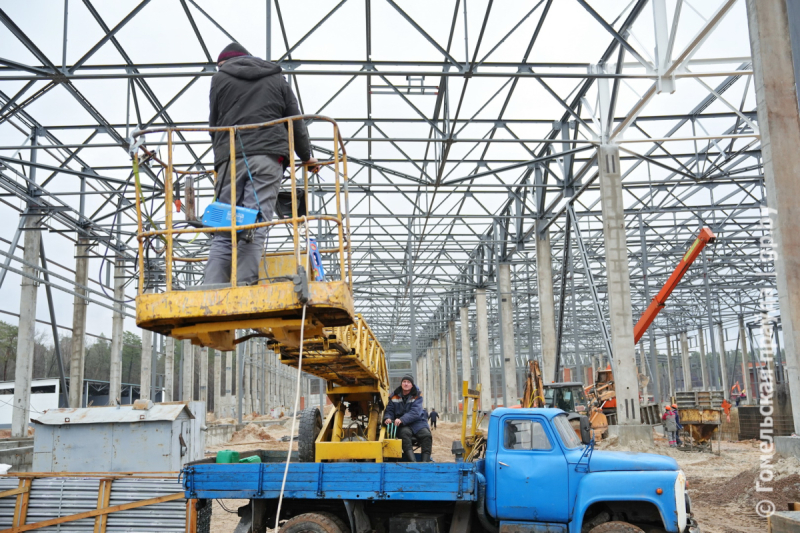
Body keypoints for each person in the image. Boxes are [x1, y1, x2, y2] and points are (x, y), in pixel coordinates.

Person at [204, 42, 318, 285]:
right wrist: (306, 156)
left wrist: (221, 157)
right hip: (268, 158)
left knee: (224, 226)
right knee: (254, 225)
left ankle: (210, 289)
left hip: (230, 159)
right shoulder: (276, 77)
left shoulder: (219, 78)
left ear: (223, 62)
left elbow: (214, 124)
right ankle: (245, 287)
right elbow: (295, 121)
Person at [384, 374, 432, 462]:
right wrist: (388, 418)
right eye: (404, 382)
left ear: (412, 385)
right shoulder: (394, 396)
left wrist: (402, 419)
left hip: (417, 422)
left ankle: (425, 462)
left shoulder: (417, 396)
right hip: (402, 425)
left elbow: (415, 412)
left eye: (408, 382)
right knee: (404, 434)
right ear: (401, 384)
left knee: (426, 435)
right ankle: (413, 462)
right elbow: (389, 410)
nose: (406, 384)